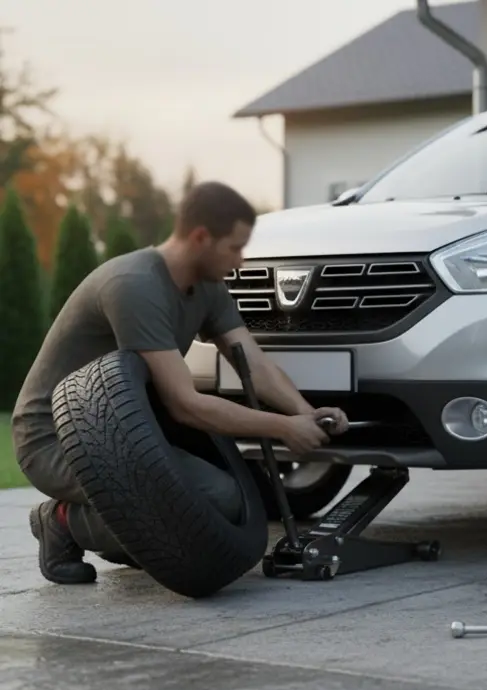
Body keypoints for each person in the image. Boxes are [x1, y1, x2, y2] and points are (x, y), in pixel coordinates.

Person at [10, 181, 350, 585]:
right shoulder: (136, 286)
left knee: (208, 505)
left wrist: (306, 413)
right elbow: (185, 405)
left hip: (119, 431)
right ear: (201, 237)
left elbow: (254, 366)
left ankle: (123, 533)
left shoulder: (207, 285)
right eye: (235, 247)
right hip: (54, 436)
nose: (240, 261)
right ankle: (62, 521)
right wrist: (282, 428)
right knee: (212, 498)